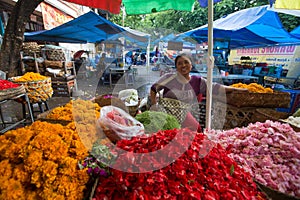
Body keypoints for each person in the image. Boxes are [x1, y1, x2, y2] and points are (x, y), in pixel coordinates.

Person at [149, 53, 246, 132]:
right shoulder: (168, 78)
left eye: (186, 62)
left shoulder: (198, 81)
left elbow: (215, 87)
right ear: (176, 67)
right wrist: (154, 106)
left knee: (196, 129)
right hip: (165, 112)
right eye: (179, 63)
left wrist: (236, 89)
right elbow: (153, 89)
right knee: (166, 132)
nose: (183, 65)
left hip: (184, 114)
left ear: (191, 65)